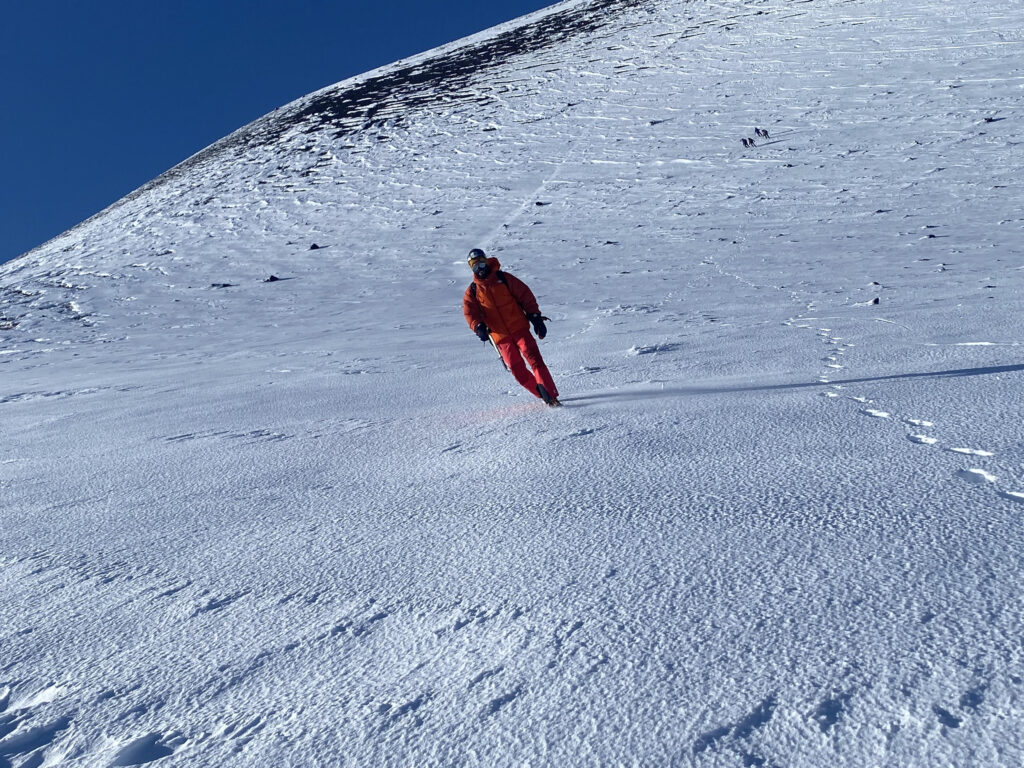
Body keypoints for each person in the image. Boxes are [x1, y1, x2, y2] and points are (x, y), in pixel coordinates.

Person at [462, 248, 560, 406]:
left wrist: (535, 317)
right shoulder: (472, 292)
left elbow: (525, 295)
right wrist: (478, 326)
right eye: (475, 266)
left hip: (520, 329)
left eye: (481, 263)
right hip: (500, 338)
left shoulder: (504, 279)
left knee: (535, 361)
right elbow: (469, 312)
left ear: (486, 261)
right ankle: (542, 394)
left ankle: (551, 397)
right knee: (518, 371)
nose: (479, 268)